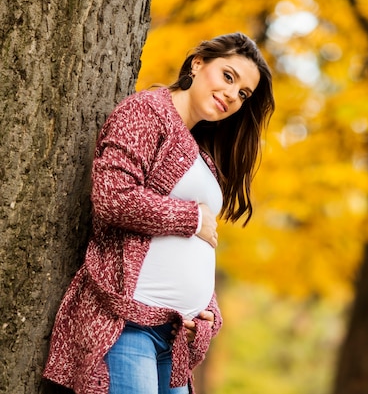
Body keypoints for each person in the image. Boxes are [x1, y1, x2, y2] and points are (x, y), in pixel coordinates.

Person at [43, 32, 275, 394]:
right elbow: (112, 196)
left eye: (243, 94)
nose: (232, 95)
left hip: (174, 337)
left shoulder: (201, 151)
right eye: (228, 77)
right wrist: (192, 218)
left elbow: (198, 246)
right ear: (198, 63)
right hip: (127, 325)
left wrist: (208, 312)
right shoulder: (147, 112)